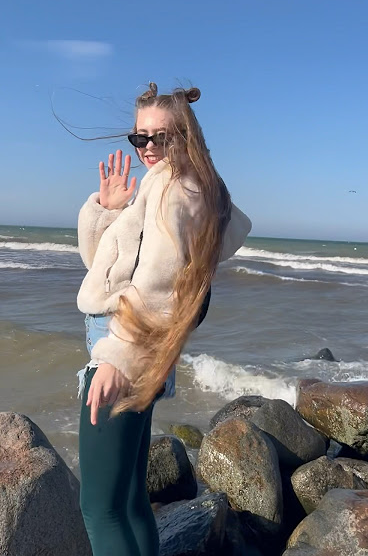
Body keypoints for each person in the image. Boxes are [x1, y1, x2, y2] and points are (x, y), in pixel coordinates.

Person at [76, 83, 251, 556]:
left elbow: (156, 288)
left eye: (162, 136)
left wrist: (115, 358)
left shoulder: (175, 189)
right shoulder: (181, 185)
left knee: (98, 507)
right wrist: (108, 213)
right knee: (130, 499)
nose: (149, 148)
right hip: (145, 350)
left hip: (126, 349)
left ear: (186, 135)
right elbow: (113, 271)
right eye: (140, 138)